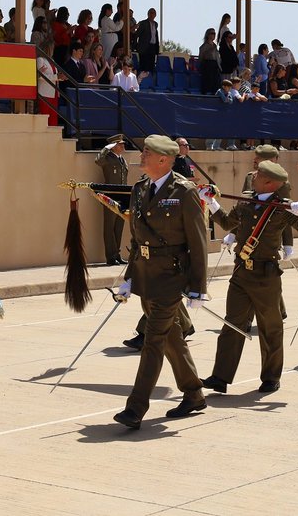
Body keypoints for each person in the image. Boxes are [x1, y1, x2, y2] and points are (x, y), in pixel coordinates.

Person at [111, 134, 209, 429]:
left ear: (164, 160)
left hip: (170, 275)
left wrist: (197, 286)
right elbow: (137, 237)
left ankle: (135, 408)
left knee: (153, 341)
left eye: (146, 153)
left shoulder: (184, 190)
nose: (141, 156)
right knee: (170, 337)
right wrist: (128, 278)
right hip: (145, 275)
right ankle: (193, 393)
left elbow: (198, 240)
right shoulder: (140, 188)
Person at [199, 161, 298, 393]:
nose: (253, 176)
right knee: (232, 324)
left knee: (270, 327)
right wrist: (210, 201)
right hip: (242, 271)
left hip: (266, 274)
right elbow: (227, 223)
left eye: (259, 175)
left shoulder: (282, 207)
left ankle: (271, 377)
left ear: (270, 182)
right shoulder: (246, 200)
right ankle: (220, 377)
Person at [95, 135, 129, 265]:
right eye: (120, 144)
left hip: (122, 197)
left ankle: (117, 254)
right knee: (109, 226)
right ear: (113, 146)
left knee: (119, 226)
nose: (123, 146)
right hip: (111, 196)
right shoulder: (107, 158)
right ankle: (110, 256)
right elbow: (98, 161)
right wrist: (106, 148)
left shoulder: (122, 160)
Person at [136, 8, 159, 74]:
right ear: (148, 14)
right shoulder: (143, 23)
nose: (152, 15)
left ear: (155, 15)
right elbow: (137, 34)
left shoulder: (155, 24)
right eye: (150, 13)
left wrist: (157, 48)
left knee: (151, 66)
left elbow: (155, 36)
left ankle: (150, 81)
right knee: (144, 65)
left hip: (152, 47)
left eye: (153, 13)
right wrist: (136, 46)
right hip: (144, 47)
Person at [198, 28, 220, 94]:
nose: (214, 35)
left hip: (215, 65)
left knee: (216, 82)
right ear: (208, 35)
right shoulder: (204, 46)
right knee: (207, 82)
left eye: (214, 33)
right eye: (212, 33)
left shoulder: (215, 45)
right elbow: (201, 56)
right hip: (207, 64)